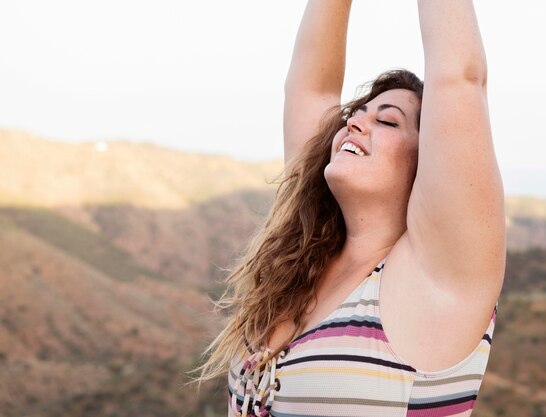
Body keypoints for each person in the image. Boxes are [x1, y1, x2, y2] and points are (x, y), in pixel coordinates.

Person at [191, 1, 506, 416]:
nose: (354, 124)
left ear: (431, 157)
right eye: (355, 116)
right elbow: (312, 90)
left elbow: (458, 78)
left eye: (388, 121)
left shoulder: (437, 276)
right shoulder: (307, 262)